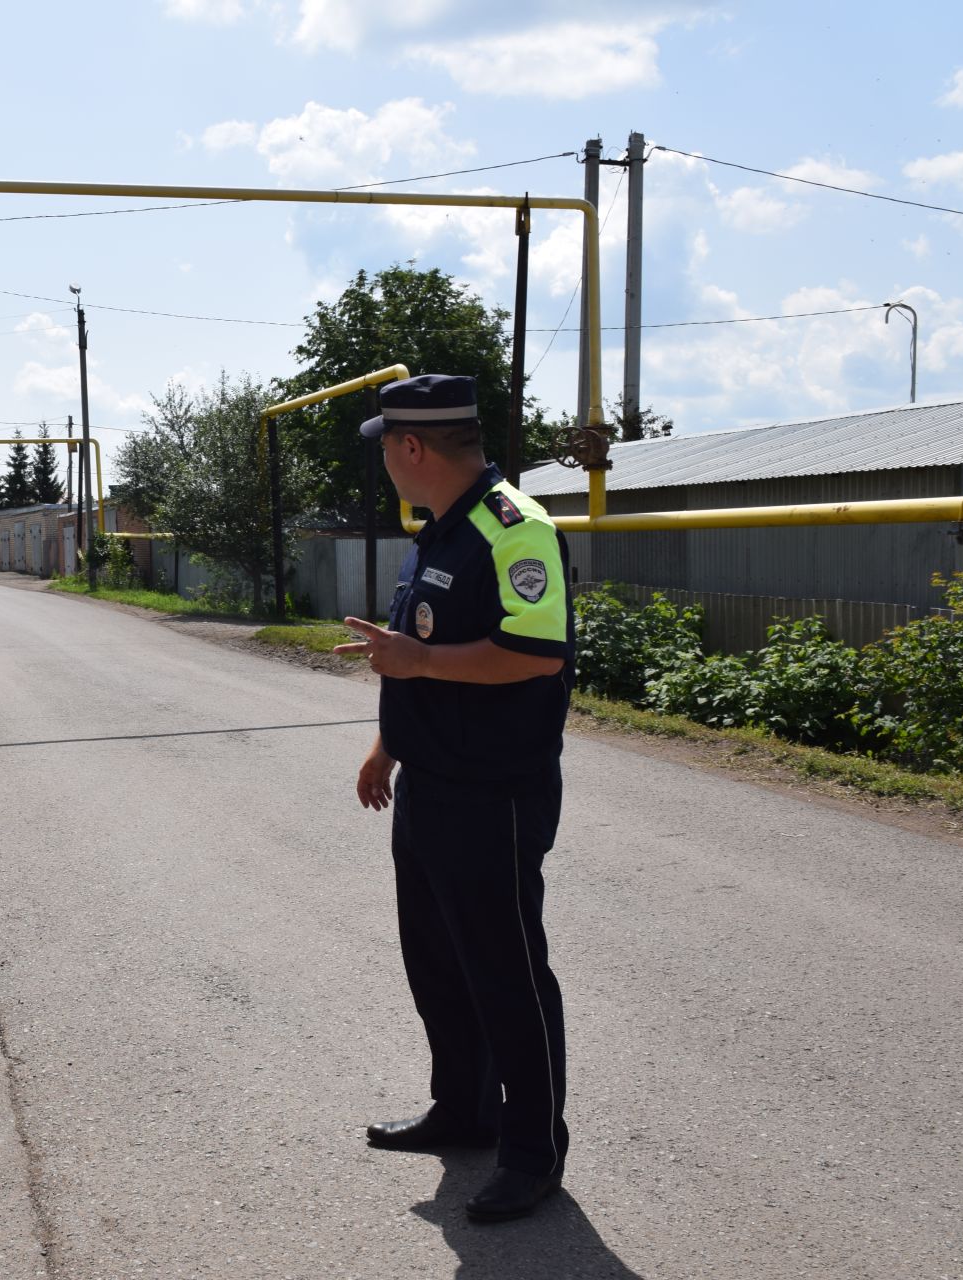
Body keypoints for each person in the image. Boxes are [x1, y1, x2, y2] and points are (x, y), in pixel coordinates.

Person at [333, 374, 574, 1224]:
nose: (386, 464)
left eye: (386, 449)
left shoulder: (515, 529)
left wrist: (419, 665)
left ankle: (535, 1149)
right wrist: (385, 745)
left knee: (506, 970)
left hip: (492, 795)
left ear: (412, 448)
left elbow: (535, 654)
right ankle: (466, 1112)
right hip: (431, 785)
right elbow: (413, 649)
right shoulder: (440, 529)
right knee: (438, 961)